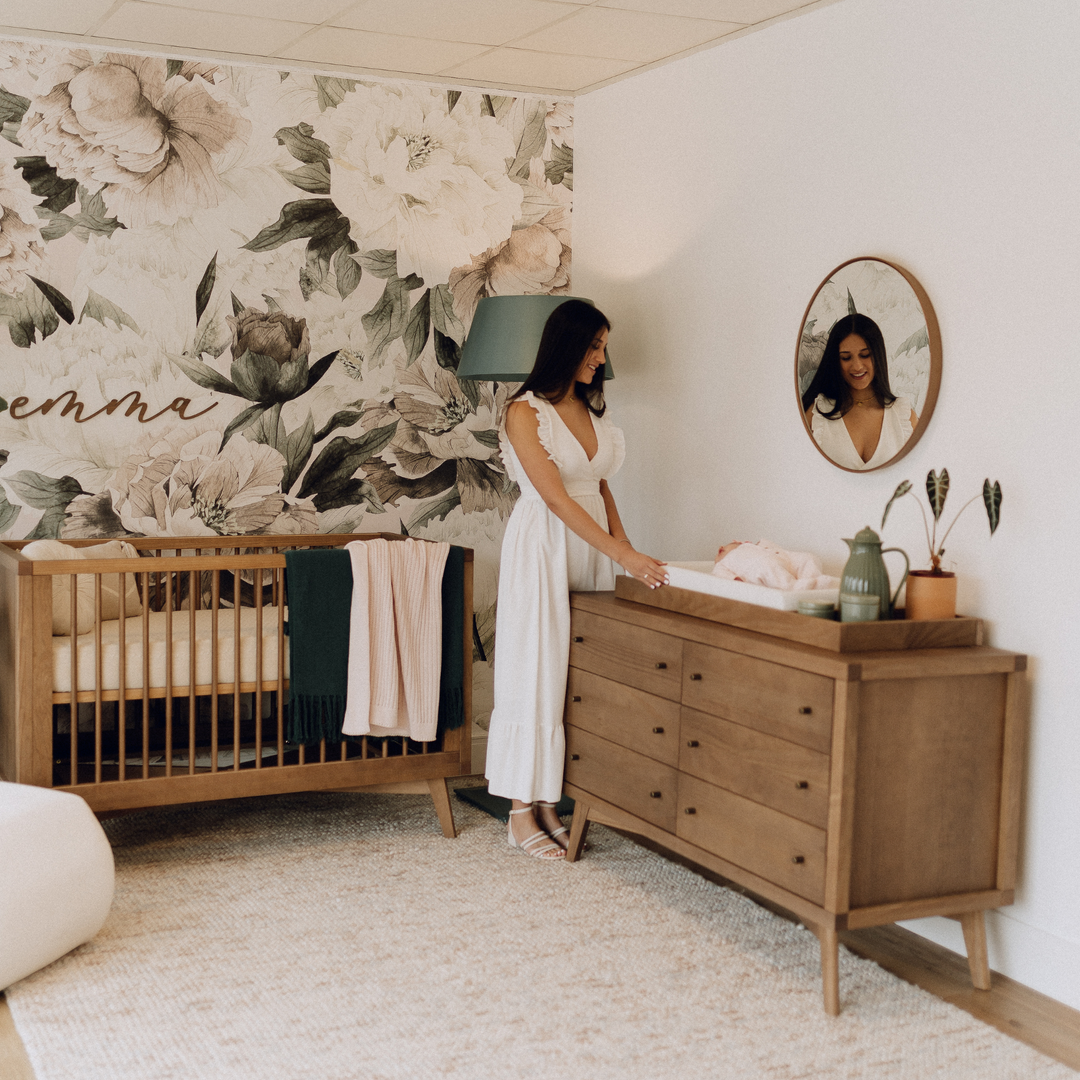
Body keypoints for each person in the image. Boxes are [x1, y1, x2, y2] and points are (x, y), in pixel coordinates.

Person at [484, 300, 669, 860]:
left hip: (591, 547)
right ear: (566, 345)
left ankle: (550, 804)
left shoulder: (595, 415)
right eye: (593, 346)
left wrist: (627, 554)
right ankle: (520, 811)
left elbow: (599, 488)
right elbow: (556, 498)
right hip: (544, 542)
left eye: (603, 347)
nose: (600, 358)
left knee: (576, 673)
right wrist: (620, 551)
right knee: (536, 668)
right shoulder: (524, 411)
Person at [801, 313, 918, 471]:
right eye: (846, 357)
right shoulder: (816, 415)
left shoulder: (904, 417)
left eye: (865, 355)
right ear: (835, 360)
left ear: (878, 355)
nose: (857, 366)